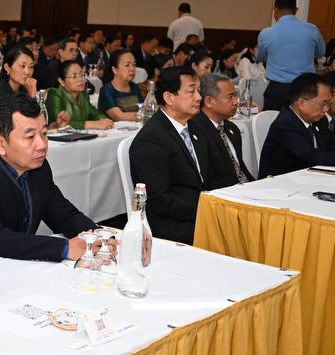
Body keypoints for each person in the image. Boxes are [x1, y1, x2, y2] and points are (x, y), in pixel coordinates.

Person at [0, 92, 95, 261]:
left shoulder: (38, 166)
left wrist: (96, 237)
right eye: (30, 137)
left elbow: (64, 215)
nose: (42, 145)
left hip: (16, 263)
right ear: (0, 144)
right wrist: (63, 248)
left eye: (44, 133)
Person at [128, 67, 205, 244]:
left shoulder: (197, 126)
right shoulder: (151, 140)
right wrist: (209, 210)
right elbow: (160, 201)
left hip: (201, 213)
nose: (199, 97)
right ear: (169, 98)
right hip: (175, 226)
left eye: (199, 91)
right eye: (191, 91)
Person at [259, 73, 335, 177]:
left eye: (328, 104)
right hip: (279, 183)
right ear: (302, 104)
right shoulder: (285, 125)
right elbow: (314, 156)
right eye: (324, 104)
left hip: (305, 177)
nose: (326, 109)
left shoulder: (315, 121)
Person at [256, 0, 325, 111]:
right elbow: (321, 53)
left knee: (273, 120)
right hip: (305, 90)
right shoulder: (312, 29)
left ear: (275, 10)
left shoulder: (266, 33)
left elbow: (261, 57)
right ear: (296, 10)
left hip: (277, 90)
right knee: (304, 121)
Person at [190, 73, 253, 186]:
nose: (235, 102)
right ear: (209, 101)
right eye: (230, 97)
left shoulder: (232, 128)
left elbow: (241, 169)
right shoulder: (196, 132)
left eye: (235, 96)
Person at [47, 61, 112, 131]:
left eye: (82, 75)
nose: (81, 79)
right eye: (74, 76)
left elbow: (94, 113)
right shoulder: (54, 94)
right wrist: (93, 124)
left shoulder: (83, 94)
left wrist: (105, 120)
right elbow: (59, 123)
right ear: (61, 81)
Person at [98, 50, 143, 122]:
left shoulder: (134, 87)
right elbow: (119, 117)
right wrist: (144, 115)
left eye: (134, 64)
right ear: (114, 69)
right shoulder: (106, 90)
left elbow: (143, 109)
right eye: (127, 65)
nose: (132, 69)